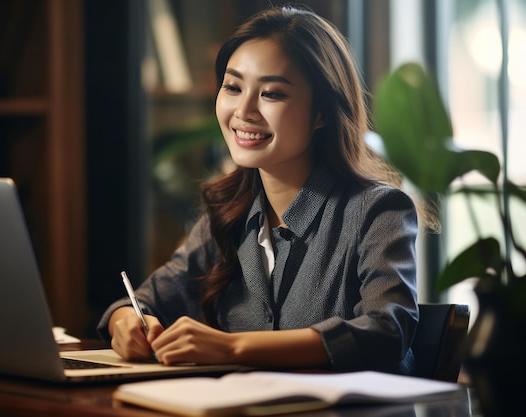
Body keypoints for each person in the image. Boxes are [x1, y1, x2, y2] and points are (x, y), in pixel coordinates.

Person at [98, 5, 420, 374]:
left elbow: (386, 331)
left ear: (322, 114)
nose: (244, 110)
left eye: (271, 94)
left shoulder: (379, 211)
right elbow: (145, 302)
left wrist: (235, 347)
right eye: (233, 87)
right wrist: (125, 322)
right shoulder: (228, 212)